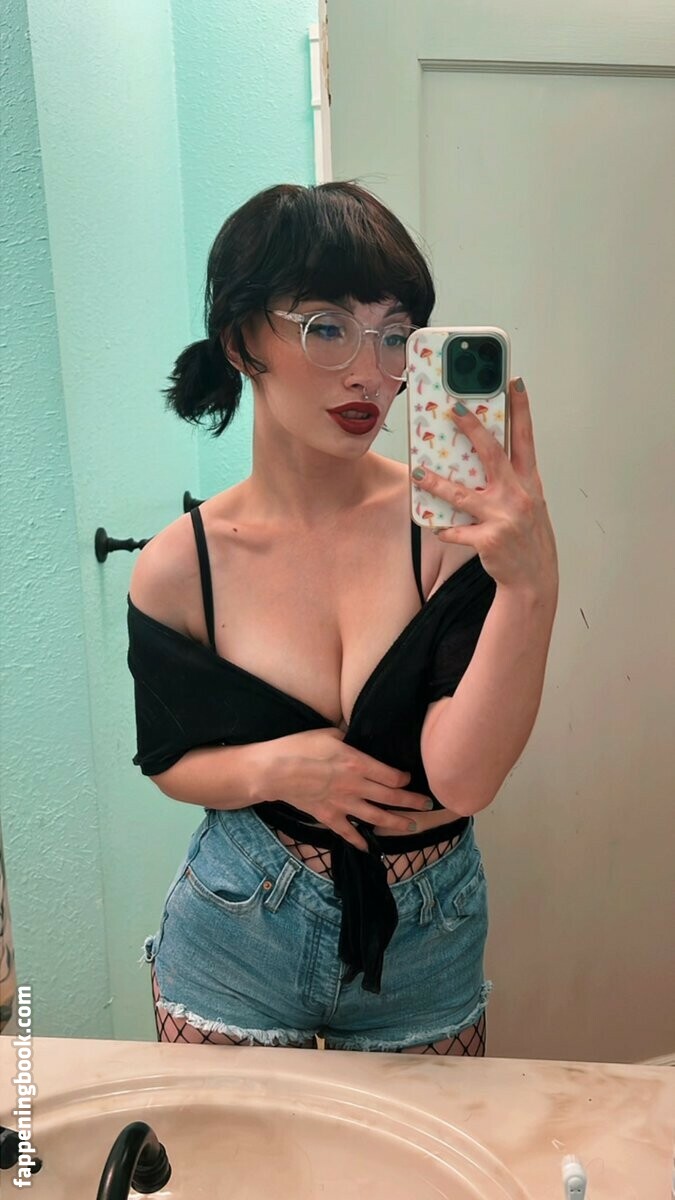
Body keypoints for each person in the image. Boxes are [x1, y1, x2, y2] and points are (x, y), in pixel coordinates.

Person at [127, 181, 558, 1054]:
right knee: (228, 1151)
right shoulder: (181, 566)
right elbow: (169, 761)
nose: (371, 372)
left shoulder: (448, 531)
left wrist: (530, 588)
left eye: (395, 335)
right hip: (237, 923)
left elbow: (462, 779)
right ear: (242, 341)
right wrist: (281, 767)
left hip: (427, 930)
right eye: (327, 328)